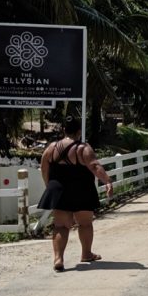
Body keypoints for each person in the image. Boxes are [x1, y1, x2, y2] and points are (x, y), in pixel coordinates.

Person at [38, 116, 113, 272]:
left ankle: (58, 258)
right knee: (85, 223)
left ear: (64, 130)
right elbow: (94, 166)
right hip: (82, 189)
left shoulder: (52, 148)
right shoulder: (83, 148)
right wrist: (107, 181)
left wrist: (49, 184)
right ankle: (86, 253)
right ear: (79, 132)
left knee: (60, 225)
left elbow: (44, 167)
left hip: (59, 190)